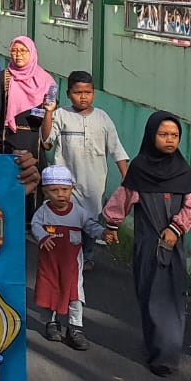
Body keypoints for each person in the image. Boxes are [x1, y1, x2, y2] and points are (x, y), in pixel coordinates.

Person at [101, 112, 191, 376]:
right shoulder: (140, 169)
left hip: (173, 244)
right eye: (164, 134)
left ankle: (166, 356)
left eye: (175, 135)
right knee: (150, 295)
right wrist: (111, 225)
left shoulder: (183, 170)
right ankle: (154, 346)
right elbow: (122, 198)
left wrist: (176, 228)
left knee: (173, 296)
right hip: (147, 244)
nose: (170, 140)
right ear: (151, 135)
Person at [40, 71, 128, 264]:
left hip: (94, 183)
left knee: (90, 221)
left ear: (93, 93)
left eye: (87, 92)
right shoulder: (61, 115)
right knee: (65, 218)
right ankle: (64, 256)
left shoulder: (102, 118)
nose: (83, 96)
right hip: (66, 181)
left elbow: (116, 148)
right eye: (78, 92)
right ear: (69, 94)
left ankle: (87, 257)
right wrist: (48, 111)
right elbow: (46, 141)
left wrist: (126, 175)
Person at [31, 164, 106, 351]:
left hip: (72, 264)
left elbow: (91, 226)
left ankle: (75, 328)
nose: (60, 194)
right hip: (49, 263)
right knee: (50, 291)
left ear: (71, 189)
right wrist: (43, 236)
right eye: (54, 190)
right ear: (45, 192)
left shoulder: (78, 212)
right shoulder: (43, 212)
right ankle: (51, 323)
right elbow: (35, 225)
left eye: (64, 189)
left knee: (75, 295)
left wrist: (104, 234)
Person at [0, 37, 57, 157]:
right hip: (8, 139)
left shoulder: (47, 81)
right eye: (14, 50)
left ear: (32, 52)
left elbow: (51, 112)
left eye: (23, 50)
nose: (18, 54)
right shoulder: (3, 78)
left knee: (33, 173)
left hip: (34, 140)